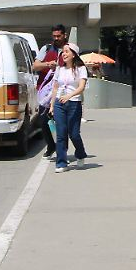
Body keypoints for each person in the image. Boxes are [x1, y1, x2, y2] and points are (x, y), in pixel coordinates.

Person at [50, 42, 88, 172]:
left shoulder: (81, 68)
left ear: (74, 54)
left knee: (74, 134)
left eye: (67, 51)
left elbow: (81, 87)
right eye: (63, 52)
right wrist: (52, 105)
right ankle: (61, 163)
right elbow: (55, 88)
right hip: (59, 104)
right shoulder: (59, 69)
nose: (64, 54)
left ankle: (81, 154)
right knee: (61, 134)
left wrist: (69, 96)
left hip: (74, 103)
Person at [32, 25, 69, 159]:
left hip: (62, 91)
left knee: (62, 123)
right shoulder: (46, 48)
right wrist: (47, 64)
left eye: (58, 36)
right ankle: (51, 145)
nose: (56, 38)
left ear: (64, 35)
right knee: (43, 121)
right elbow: (35, 66)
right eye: (54, 36)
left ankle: (62, 151)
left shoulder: (69, 49)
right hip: (46, 92)